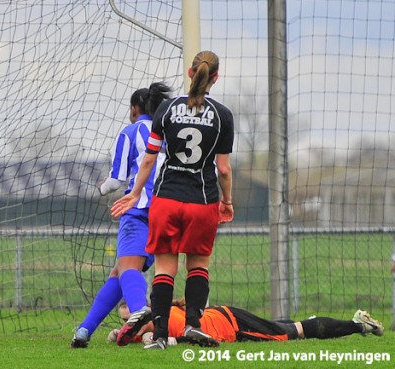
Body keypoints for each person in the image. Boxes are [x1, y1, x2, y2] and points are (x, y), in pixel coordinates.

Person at [111, 50, 235, 349]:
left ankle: (161, 335)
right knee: (198, 265)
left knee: (165, 268)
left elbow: (149, 160)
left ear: (191, 73)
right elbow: (223, 169)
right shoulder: (222, 115)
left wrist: (135, 193)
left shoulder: (166, 109)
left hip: (165, 200)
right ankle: (193, 325)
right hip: (202, 201)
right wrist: (227, 201)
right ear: (214, 77)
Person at [70, 83, 172, 348]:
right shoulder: (168, 132)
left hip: (138, 209)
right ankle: (84, 330)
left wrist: (101, 188)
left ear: (135, 109)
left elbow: (116, 181)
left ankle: (142, 316)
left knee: (127, 268)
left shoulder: (131, 131)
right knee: (120, 272)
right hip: (168, 210)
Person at [108, 299, 384, 345]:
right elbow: (135, 334)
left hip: (234, 328)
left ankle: (357, 324)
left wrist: (169, 340)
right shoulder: (163, 312)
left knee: (295, 333)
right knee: (278, 325)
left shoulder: (167, 327)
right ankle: (316, 321)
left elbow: (192, 340)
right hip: (225, 313)